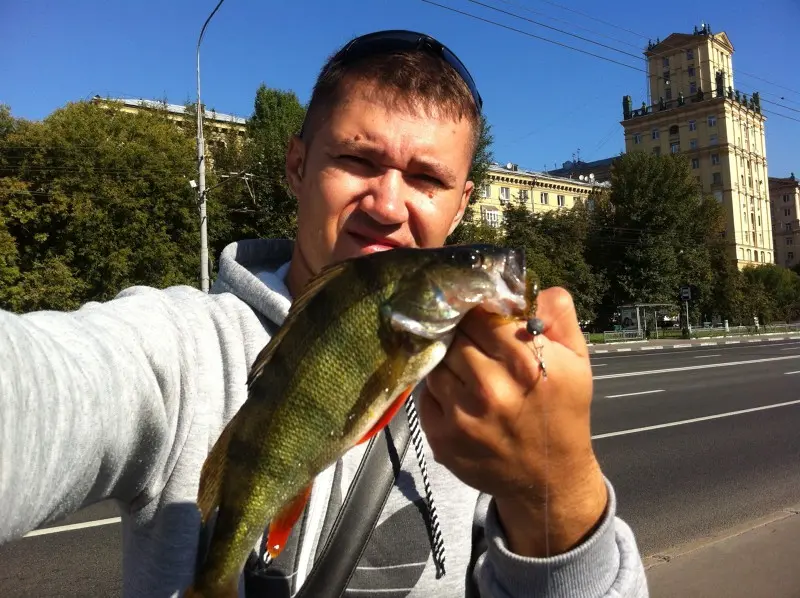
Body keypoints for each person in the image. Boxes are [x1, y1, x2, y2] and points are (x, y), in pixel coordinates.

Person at [0, 30, 648, 598]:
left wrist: (559, 487)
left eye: (426, 178)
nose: (388, 204)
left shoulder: (497, 401)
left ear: (461, 205)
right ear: (298, 164)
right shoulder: (178, 349)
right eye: (358, 160)